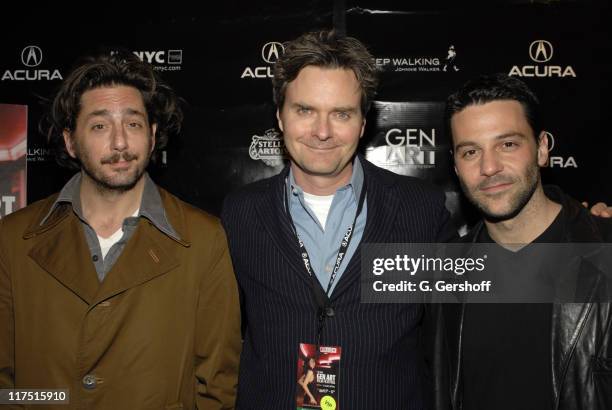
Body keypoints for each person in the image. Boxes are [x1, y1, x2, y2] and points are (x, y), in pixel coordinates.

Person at [222, 30, 455, 409]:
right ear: (280, 116)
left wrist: (575, 227)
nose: (323, 132)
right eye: (305, 110)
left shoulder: (420, 209)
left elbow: (486, 294)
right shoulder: (241, 213)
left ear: (363, 123)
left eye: (341, 114)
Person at [0, 52, 241, 409]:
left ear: (152, 134)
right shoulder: (12, 239)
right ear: (70, 141)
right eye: (99, 126)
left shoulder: (203, 239)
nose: (120, 143)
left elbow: (217, 387)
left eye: (133, 124)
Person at [435, 73, 612, 410]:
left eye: (508, 144)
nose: (489, 167)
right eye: (471, 152)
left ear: (542, 149)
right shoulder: (443, 272)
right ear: (456, 167)